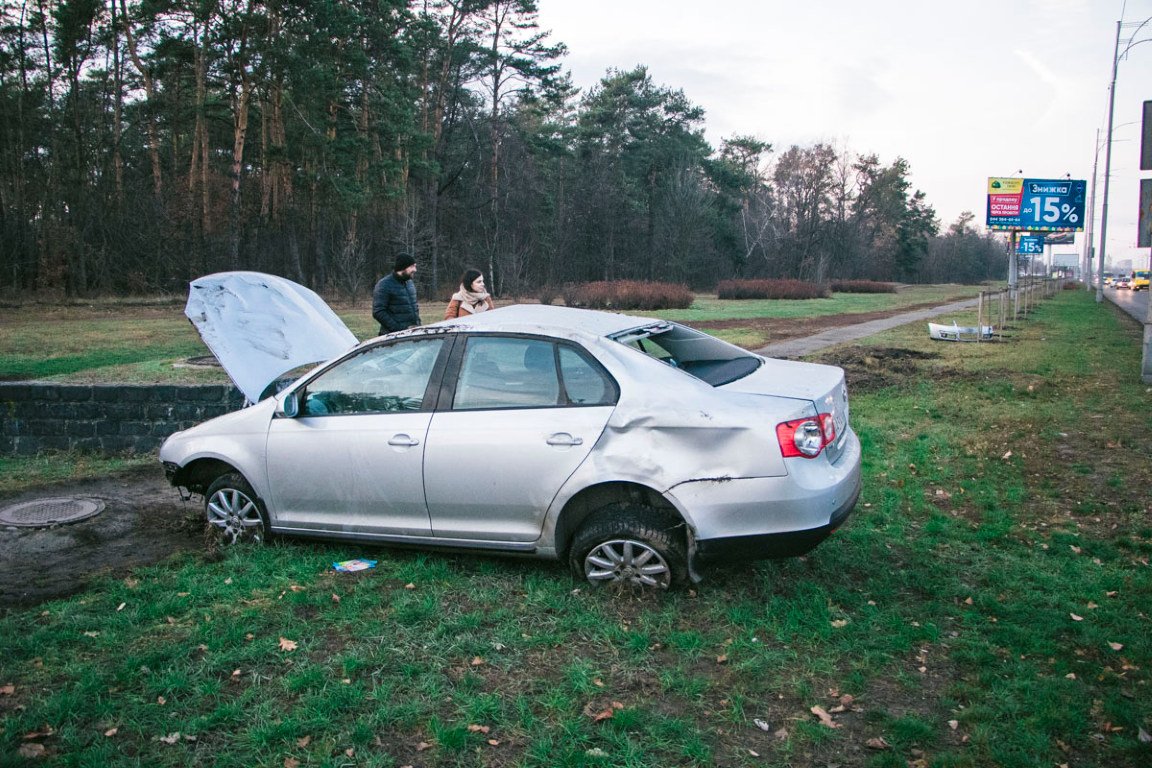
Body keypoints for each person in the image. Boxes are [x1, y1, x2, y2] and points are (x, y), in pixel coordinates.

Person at [372, 254, 420, 334]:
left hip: (412, 335)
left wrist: (418, 325)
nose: (415, 270)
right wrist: (400, 330)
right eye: (412, 266)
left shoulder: (410, 283)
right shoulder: (384, 285)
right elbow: (378, 312)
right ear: (402, 267)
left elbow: (414, 307)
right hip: (393, 338)